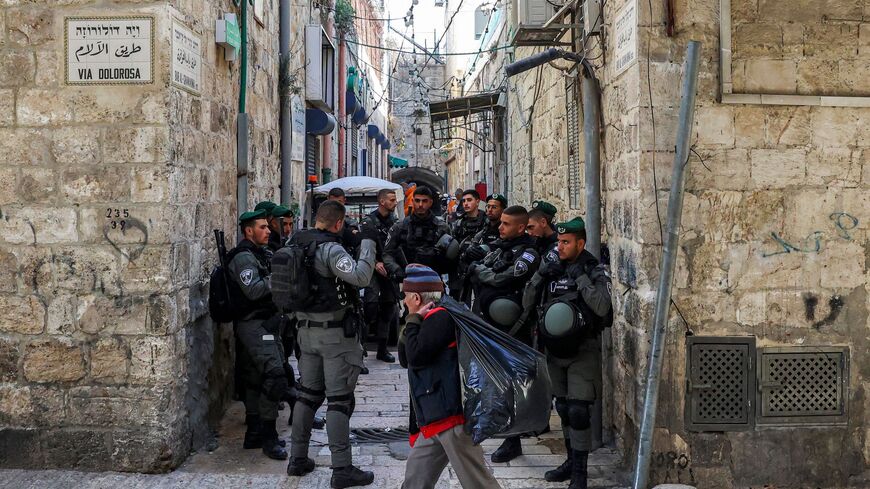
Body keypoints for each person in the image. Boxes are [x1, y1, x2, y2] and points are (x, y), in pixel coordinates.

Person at [286, 200, 378, 488]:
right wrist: (368, 244)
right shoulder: (331, 249)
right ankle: (342, 468)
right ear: (338, 223)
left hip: (305, 332)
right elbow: (361, 277)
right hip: (335, 336)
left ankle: (297, 459)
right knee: (339, 401)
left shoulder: (296, 242)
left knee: (308, 395)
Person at [523, 217, 612, 489]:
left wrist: (581, 279)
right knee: (562, 407)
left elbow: (602, 308)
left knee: (578, 410)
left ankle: (581, 473)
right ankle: (570, 462)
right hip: (554, 350)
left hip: (582, 350)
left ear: (580, 243)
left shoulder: (593, 269)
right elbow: (527, 302)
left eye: (566, 242)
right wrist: (540, 275)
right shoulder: (552, 267)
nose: (559, 247)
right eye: (559, 242)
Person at [399, 264, 501, 489]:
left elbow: (415, 356)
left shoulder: (441, 318)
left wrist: (412, 320)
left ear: (416, 297)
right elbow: (405, 357)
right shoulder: (428, 318)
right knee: (415, 479)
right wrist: (413, 320)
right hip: (434, 418)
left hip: (451, 420)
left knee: (478, 482)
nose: (403, 301)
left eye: (405, 296)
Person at [468, 205, 540, 464]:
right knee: (496, 382)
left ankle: (514, 438)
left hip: (514, 328)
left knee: (514, 384)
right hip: (492, 323)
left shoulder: (528, 253)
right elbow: (479, 265)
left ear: (521, 227)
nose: (500, 227)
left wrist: (482, 273)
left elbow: (504, 279)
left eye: (506, 224)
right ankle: (499, 428)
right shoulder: (503, 246)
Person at [227, 209, 295, 460]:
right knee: (275, 375)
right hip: (253, 325)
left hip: (265, 324)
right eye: (263, 227)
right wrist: (277, 276)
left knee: (256, 378)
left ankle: (254, 433)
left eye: (268, 227)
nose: (268, 231)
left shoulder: (258, 254)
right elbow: (254, 291)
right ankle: (268, 437)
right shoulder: (243, 258)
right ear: (248, 231)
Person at [360, 189, 399, 363]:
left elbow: (398, 247)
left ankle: (382, 350)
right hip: (372, 267)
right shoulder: (369, 222)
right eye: (391, 200)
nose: (395, 202)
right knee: (370, 305)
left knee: (388, 307)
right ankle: (359, 349)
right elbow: (363, 247)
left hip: (389, 269)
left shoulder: (395, 222)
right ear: (382, 202)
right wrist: (375, 263)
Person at [383, 185, 452, 279]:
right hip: (406, 280)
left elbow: (451, 257)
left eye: (424, 201)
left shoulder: (442, 228)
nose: (420, 204)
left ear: (431, 202)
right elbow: (387, 254)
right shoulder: (400, 227)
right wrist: (398, 270)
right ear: (412, 201)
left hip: (433, 280)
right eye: (417, 200)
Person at [327, 187, 361, 253]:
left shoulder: (350, 223)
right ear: (328, 200)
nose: (336, 206)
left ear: (344, 201)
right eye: (333, 202)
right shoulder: (320, 219)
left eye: (339, 202)